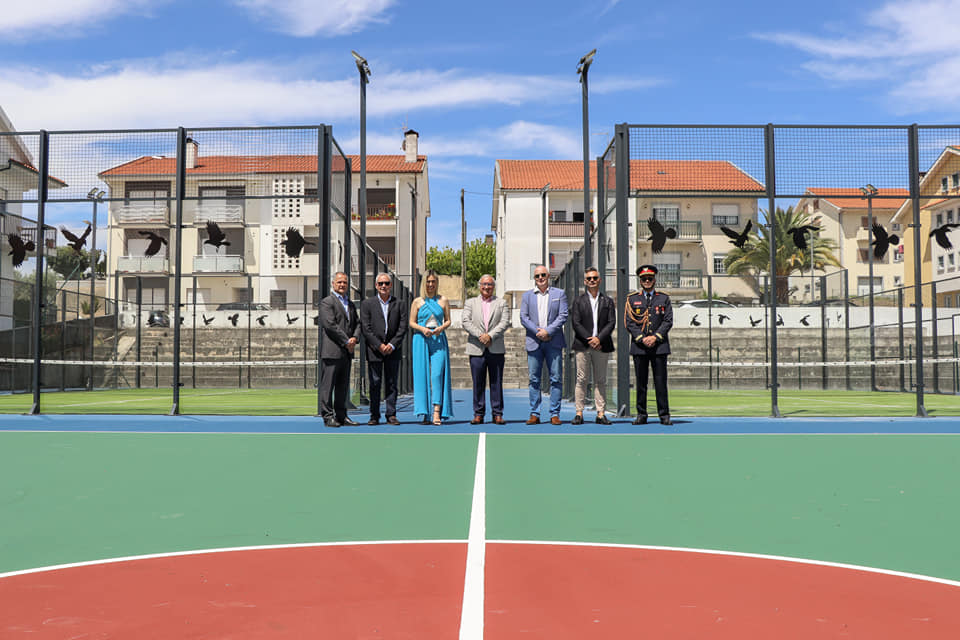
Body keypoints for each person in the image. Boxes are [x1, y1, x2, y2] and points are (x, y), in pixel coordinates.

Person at [624, 265, 673, 425]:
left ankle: (664, 415)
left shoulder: (664, 298)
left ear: (654, 280)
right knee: (641, 383)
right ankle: (641, 415)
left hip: (659, 347)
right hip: (640, 347)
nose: (647, 281)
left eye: (649, 279)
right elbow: (629, 322)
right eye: (644, 279)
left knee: (660, 382)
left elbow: (667, 321)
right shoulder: (632, 299)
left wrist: (655, 337)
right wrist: (641, 338)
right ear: (640, 281)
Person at [520, 265, 568, 425]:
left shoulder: (559, 294)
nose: (540, 278)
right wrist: (538, 332)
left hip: (553, 341)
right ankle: (535, 413)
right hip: (534, 342)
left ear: (548, 276)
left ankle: (555, 414)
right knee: (534, 379)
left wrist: (548, 331)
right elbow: (524, 317)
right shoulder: (527, 296)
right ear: (534, 278)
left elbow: (563, 315)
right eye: (537, 276)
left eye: (543, 275)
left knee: (556, 378)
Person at [462, 274, 511, 425]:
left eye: (489, 284)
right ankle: (478, 413)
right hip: (476, 348)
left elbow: (505, 322)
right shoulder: (470, 302)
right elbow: (465, 321)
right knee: (478, 383)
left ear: (493, 287)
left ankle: (497, 413)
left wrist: (490, 336)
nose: (486, 287)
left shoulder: (501, 303)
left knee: (496, 382)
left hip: (495, 347)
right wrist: (481, 336)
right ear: (479, 286)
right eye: (484, 284)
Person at [359, 273, 408, 425]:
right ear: (376, 286)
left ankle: (391, 414)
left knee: (392, 384)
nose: (383, 286)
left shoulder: (400, 304)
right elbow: (366, 328)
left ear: (391, 285)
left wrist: (392, 344)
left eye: (386, 283)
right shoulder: (367, 304)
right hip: (374, 351)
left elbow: (403, 327)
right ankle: (374, 416)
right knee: (375, 384)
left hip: (393, 350)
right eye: (380, 283)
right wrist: (379, 345)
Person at [570, 266, 616, 425]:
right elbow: (575, 323)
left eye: (594, 278)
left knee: (601, 380)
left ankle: (600, 413)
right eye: (589, 278)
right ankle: (579, 412)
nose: (592, 281)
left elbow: (611, 322)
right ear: (585, 281)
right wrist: (590, 339)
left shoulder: (608, 301)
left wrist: (599, 339)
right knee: (581, 379)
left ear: (599, 280)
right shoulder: (578, 301)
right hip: (583, 345)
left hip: (602, 346)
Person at [410, 270, 453, 425]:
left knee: (436, 375)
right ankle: (424, 412)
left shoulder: (443, 300)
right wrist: (423, 330)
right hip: (420, 339)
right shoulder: (417, 301)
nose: (430, 284)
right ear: (424, 283)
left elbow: (448, 320)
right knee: (422, 375)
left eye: (433, 281)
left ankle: (436, 412)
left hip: (438, 339)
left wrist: (441, 328)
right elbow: (411, 322)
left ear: (437, 283)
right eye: (428, 282)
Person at [318, 271, 361, 428]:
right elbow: (330, 325)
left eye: (344, 282)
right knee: (328, 386)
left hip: (346, 353)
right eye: (339, 282)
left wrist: (354, 339)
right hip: (332, 351)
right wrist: (346, 341)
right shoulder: (326, 302)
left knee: (343, 387)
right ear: (333, 284)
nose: (342, 285)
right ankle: (328, 416)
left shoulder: (349, 304)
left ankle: (342, 416)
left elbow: (358, 323)